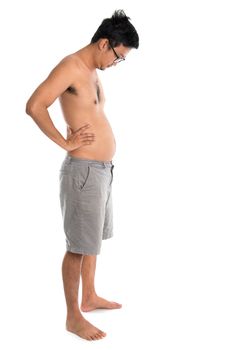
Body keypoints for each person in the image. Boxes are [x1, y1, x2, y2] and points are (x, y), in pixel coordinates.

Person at [26, 9, 139, 341]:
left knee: (91, 241)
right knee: (77, 245)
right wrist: (65, 141)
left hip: (102, 171)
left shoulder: (93, 71)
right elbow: (34, 105)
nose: (117, 64)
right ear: (105, 43)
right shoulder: (71, 67)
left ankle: (89, 297)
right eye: (118, 57)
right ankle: (73, 317)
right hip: (83, 172)